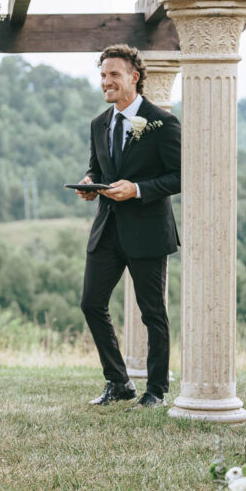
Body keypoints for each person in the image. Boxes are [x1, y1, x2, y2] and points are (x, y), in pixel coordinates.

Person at [74, 44, 181, 408]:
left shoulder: (162, 122)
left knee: (152, 313)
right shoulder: (99, 123)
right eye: (103, 75)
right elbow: (98, 168)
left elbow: (180, 176)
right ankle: (118, 381)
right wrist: (90, 183)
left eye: (114, 75)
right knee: (91, 303)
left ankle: (156, 390)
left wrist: (137, 189)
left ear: (134, 78)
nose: (106, 81)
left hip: (147, 232)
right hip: (107, 231)